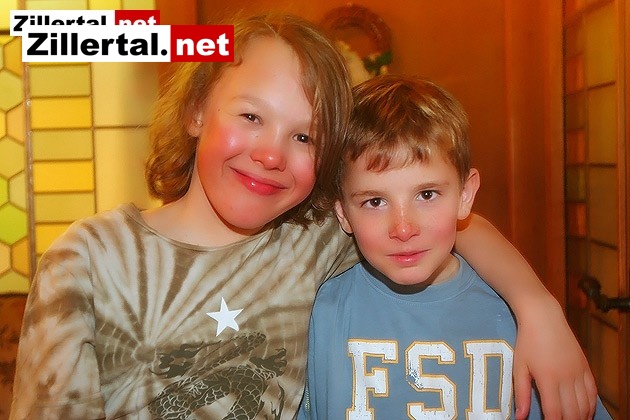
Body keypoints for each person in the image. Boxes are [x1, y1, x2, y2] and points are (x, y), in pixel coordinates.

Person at [11, 13, 595, 420]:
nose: (271, 154)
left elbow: (455, 225)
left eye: (304, 136)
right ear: (195, 110)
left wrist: (538, 309)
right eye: (250, 116)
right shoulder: (86, 261)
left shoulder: (312, 240)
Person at [299, 75, 609, 419]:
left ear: (465, 195)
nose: (403, 228)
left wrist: (539, 309)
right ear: (343, 213)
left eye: (426, 194)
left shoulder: (520, 321)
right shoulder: (318, 312)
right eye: (375, 201)